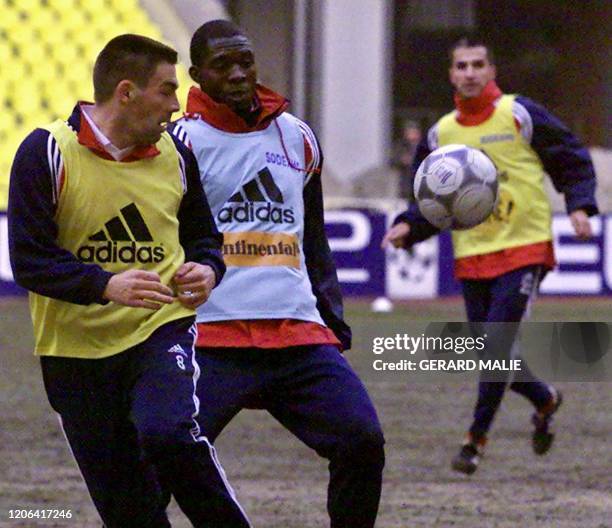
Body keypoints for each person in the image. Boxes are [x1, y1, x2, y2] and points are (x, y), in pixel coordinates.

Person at [8, 34, 251, 527]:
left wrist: (208, 269)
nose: (175, 105)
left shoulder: (176, 156)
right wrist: (105, 284)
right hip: (73, 351)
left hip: (158, 331)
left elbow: (205, 238)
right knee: (129, 511)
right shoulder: (47, 153)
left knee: (169, 433)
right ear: (126, 92)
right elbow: (29, 261)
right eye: (166, 91)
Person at [168, 20, 385, 527]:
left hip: (296, 336)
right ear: (198, 76)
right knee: (156, 460)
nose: (240, 73)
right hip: (210, 338)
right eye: (223, 65)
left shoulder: (298, 137)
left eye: (246, 61)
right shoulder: (180, 143)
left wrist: (331, 314)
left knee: (362, 441)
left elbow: (313, 238)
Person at [382, 36, 598, 475]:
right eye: (461, 65)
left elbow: (570, 156)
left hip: (524, 247)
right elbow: (428, 200)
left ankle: (474, 441)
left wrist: (579, 203)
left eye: (478, 64)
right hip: (473, 252)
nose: (470, 73)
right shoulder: (441, 133)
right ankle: (544, 398)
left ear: (491, 70)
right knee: (489, 354)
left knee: (496, 345)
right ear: (451, 74)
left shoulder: (519, 114)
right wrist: (409, 226)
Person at [391, 119, 422, 200]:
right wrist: (402, 160)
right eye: (410, 132)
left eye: (415, 132)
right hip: (406, 182)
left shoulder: (423, 146)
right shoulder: (401, 146)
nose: (413, 135)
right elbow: (393, 160)